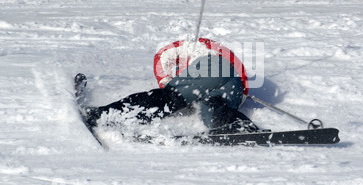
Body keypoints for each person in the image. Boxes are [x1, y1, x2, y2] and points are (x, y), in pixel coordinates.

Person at [79, 40, 260, 134]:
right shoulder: (207, 65)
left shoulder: (196, 49)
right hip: (232, 88)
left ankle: (102, 115)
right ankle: (243, 127)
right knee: (212, 117)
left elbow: (163, 56)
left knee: (169, 97)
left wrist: (167, 84)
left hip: (218, 69)